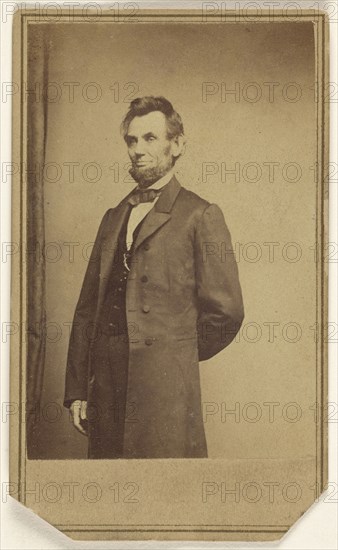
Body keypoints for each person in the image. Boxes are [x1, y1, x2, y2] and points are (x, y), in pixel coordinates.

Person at [63, 96, 244, 459]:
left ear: (177, 145)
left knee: (168, 494)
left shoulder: (201, 214)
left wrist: (174, 353)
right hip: (107, 387)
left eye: (149, 138)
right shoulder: (113, 216)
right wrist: (78, 390)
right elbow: (87, 308)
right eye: (131, 140)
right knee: (112, 496)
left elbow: (227, 312)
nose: (138, 150)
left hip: (166, 391)